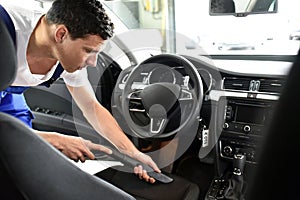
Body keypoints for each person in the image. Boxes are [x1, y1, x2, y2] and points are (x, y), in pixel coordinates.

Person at [0, 0, 159, 184]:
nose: (92, 62)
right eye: (88, 51)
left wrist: (132, 153)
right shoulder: (7, 30)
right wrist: (55, 141)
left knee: (25, 163)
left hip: (10, 96)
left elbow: (91, 106)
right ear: (61, 34)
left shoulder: (66, 54)